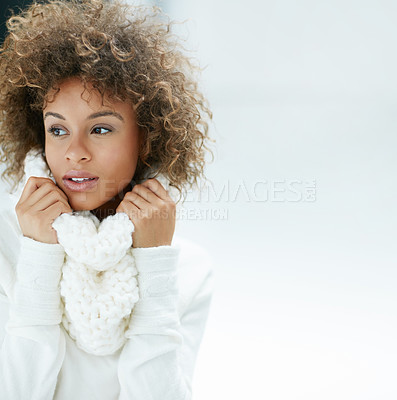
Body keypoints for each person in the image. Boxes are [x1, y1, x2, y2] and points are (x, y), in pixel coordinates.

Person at [0, 0, 213, 399]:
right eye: (58, 130)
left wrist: (153, 266)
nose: (74, 152)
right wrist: (40, 255)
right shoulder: (8, 240)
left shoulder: (188, 268)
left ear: (146, 137)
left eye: (100, 129)